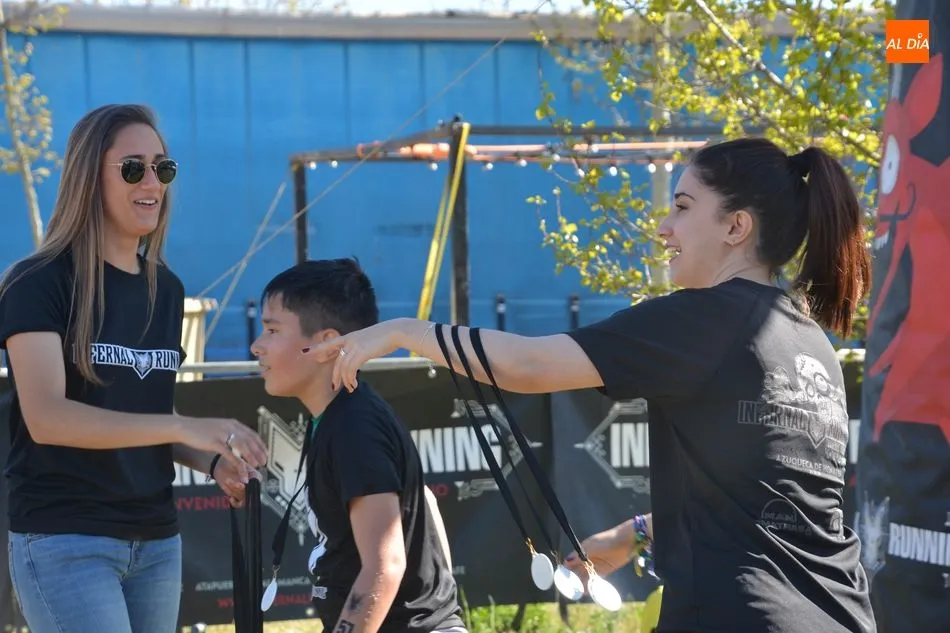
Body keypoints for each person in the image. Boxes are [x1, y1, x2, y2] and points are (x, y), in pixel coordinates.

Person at [302, 138, 877, 633]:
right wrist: (637, 532)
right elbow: (769, 501)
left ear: (736, 226)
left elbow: (529, 365)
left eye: (682, 207)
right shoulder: (812, 343)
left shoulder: (701, 319)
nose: (664, 227)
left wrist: (404, 330)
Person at [0, 104, 269, 633]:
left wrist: (211, 460)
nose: (152, 182)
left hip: (156, 543)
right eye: (132, 168)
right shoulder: (37, 282)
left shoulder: (165, 289)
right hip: (65, 539)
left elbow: (143, 416)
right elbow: (47, 418)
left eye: (162, 168)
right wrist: (184, 428)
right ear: (88, 177)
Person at [250, 258, 465, 633]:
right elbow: (426, 502)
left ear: (326, 343)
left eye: (272, 330)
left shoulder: (354, 426)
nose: (257, 346)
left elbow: (385, 564)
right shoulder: (339, 416)